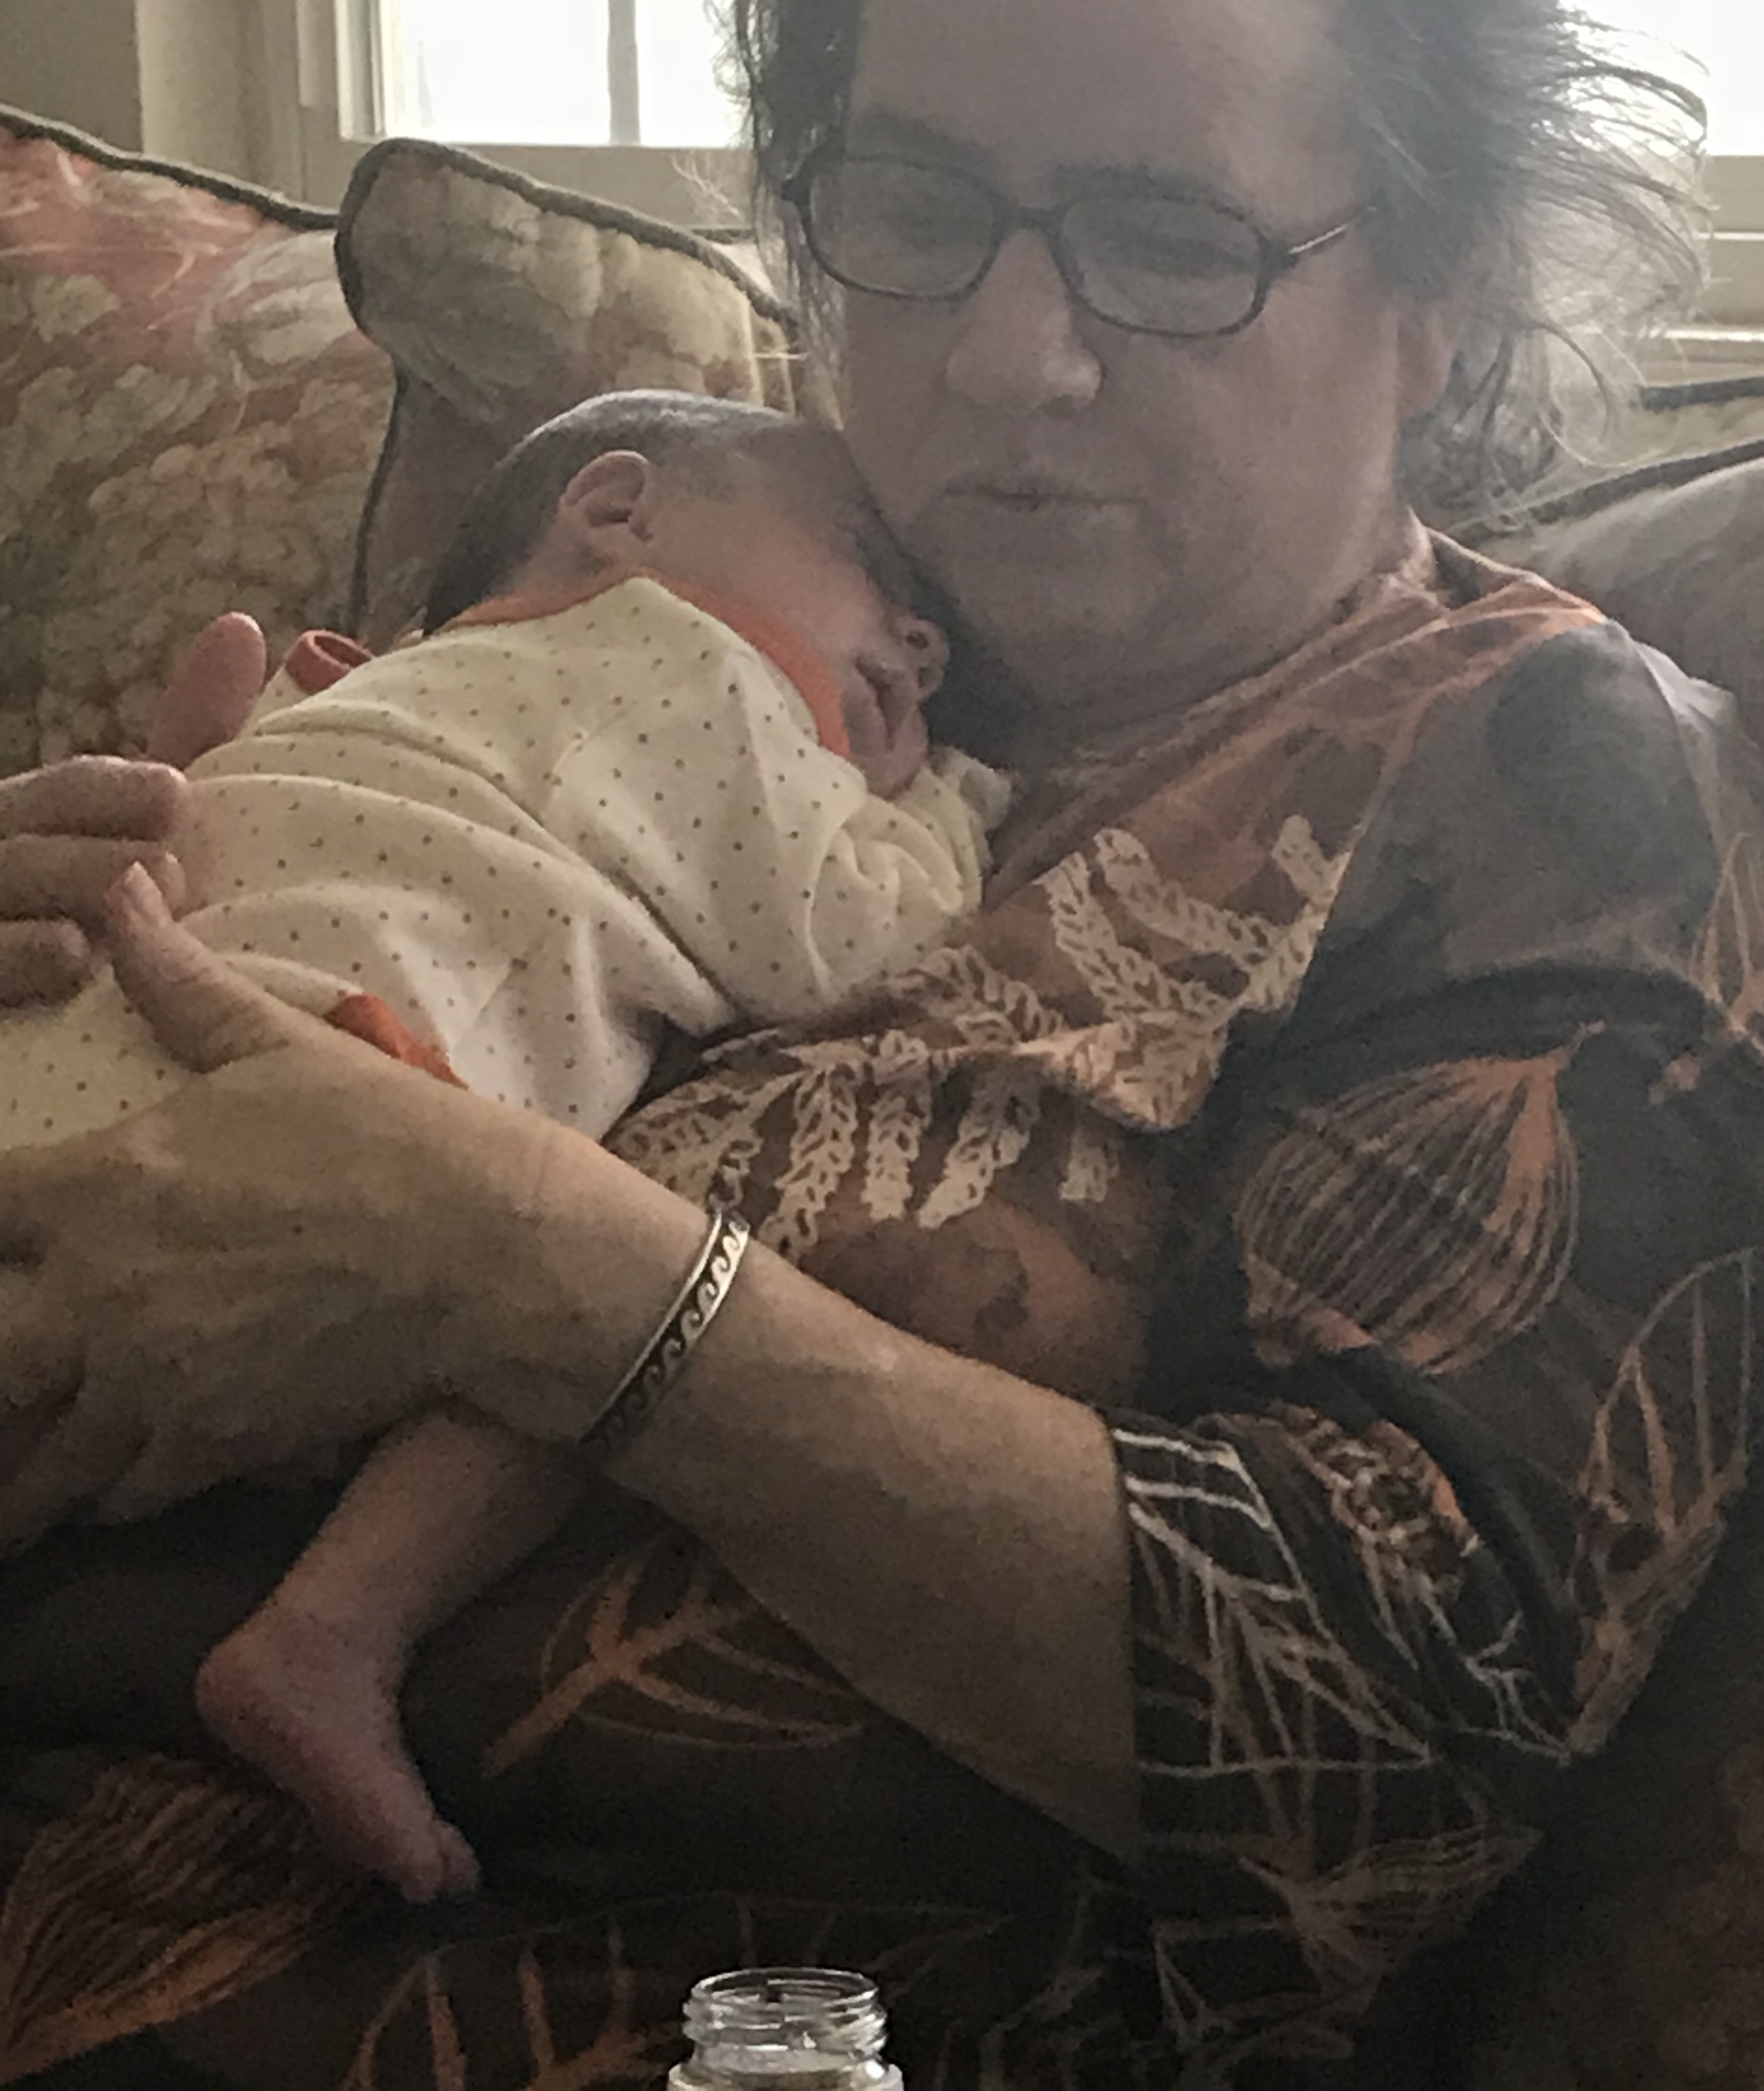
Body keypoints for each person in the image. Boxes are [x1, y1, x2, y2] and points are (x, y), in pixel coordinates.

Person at [0, 0, 1764, 2084]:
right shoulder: (689, 622)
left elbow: (1383, 1743)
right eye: (915, 198)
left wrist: (522, 1268)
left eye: (1165, 239)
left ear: (1434, 288)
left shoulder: (1542, 783)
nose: (1003, 354)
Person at [1, 384, 1025, 1909]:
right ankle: (330, 1629)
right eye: (874, 563)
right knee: (610, 1316)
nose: (924, 643)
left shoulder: (378, 692)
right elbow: (860, 940)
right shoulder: (689, 662)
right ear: (619, 513)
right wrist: (959, 796)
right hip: (303, 1092)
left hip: (79, 1055)